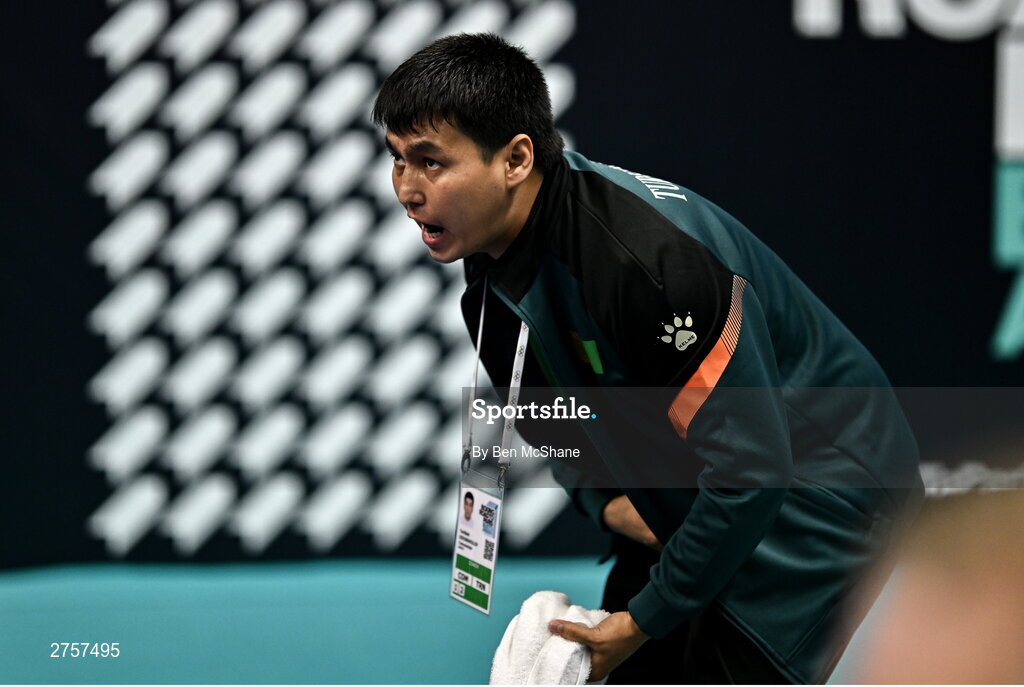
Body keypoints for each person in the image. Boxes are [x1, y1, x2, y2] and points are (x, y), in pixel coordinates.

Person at [372, 33, 923, 684]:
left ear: (516, 159)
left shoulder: (647, 268)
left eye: (431, 162)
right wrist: (608, 501)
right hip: (710, 480)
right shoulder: (491, 280)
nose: (405, 189)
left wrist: (643, 618)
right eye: (398, 159)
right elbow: (558, 420)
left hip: (822, 490)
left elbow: (754, 469)